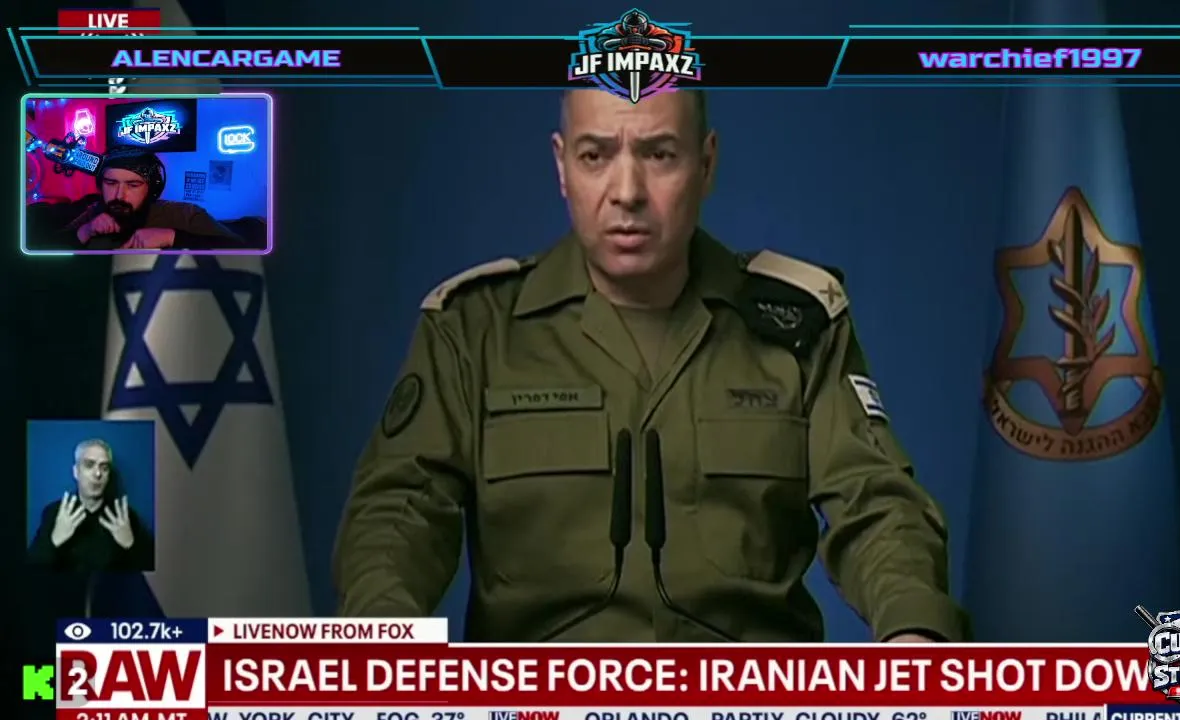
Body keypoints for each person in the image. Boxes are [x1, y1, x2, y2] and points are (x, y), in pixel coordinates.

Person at [334, 88, 969, 643]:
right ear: (561, 166)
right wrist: (383, 637)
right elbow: (400, 513)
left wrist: (913, 629)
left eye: (659, 154)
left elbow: (875, 503)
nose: (627, 193)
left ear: (707, 163)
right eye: (595, 156)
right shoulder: (473, 329)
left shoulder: (797, 324)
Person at [61, 147, 245, 250]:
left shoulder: (185, 214)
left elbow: (244, 251)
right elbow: (49, 248)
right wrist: (85, 231)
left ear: (152, 189)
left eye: (133, 185)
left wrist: (172, 237)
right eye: (111, 183)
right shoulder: (94, 213)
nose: (119, 195)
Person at [29, 439, 155, 573]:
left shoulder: (124, 517)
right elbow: (30, 571)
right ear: (76, 472)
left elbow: (154, 574)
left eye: (104, 468)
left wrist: (131, 545)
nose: (98, 474)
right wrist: (54, 541)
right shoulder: (54, 513)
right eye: (89, 465)